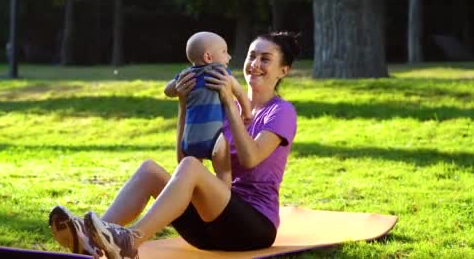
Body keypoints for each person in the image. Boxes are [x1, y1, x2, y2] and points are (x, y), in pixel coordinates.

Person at [49, 31, 300, 259]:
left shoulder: (281, 111)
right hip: (212, 226)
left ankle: (130, 240)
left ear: (283, 71)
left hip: (252, 228)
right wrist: (183, 104)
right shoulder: (224, 105)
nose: (255, 64)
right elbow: (185, 159)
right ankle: (89, 238)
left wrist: (230, 105)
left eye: (265, 59)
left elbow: (250, 158)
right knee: (150, 170)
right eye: (252, 56)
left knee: (191, 167)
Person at [163, 31, 252, 186]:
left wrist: (177, 88)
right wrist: (247, 112)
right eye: (224, 52)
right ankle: (225, 199)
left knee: (191, 176)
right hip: (214, 138)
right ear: (208, 57)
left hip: (190, 138)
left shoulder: (185, 75)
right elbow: (239, 92)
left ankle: (194, 198)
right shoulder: (221, 73)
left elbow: (167, 91)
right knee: (224, 172)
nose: (229, 56)